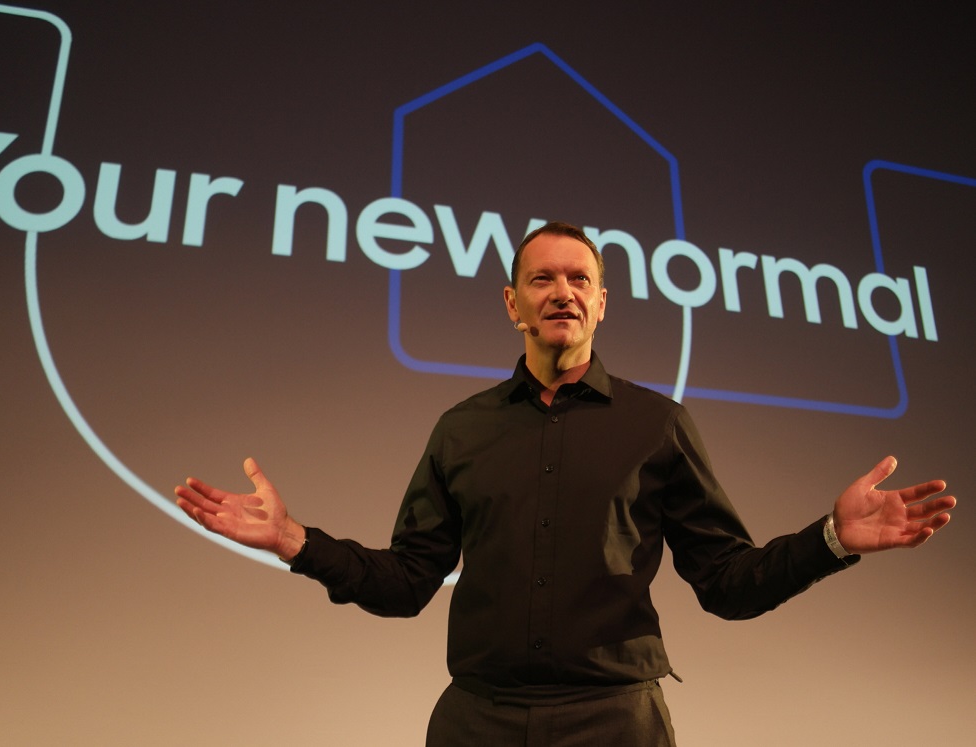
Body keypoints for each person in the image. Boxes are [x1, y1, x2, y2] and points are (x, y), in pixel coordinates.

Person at [174, 221, 955, 746]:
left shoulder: (658, 424)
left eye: (580, 278)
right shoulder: (461, 429)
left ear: (602, 302)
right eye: (541, 278)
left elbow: (727, 583)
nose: (563, 291)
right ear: (512, 303)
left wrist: (832, 539)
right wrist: (295, 541)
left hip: (616, 722)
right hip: (477, 722)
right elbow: (407, 581)